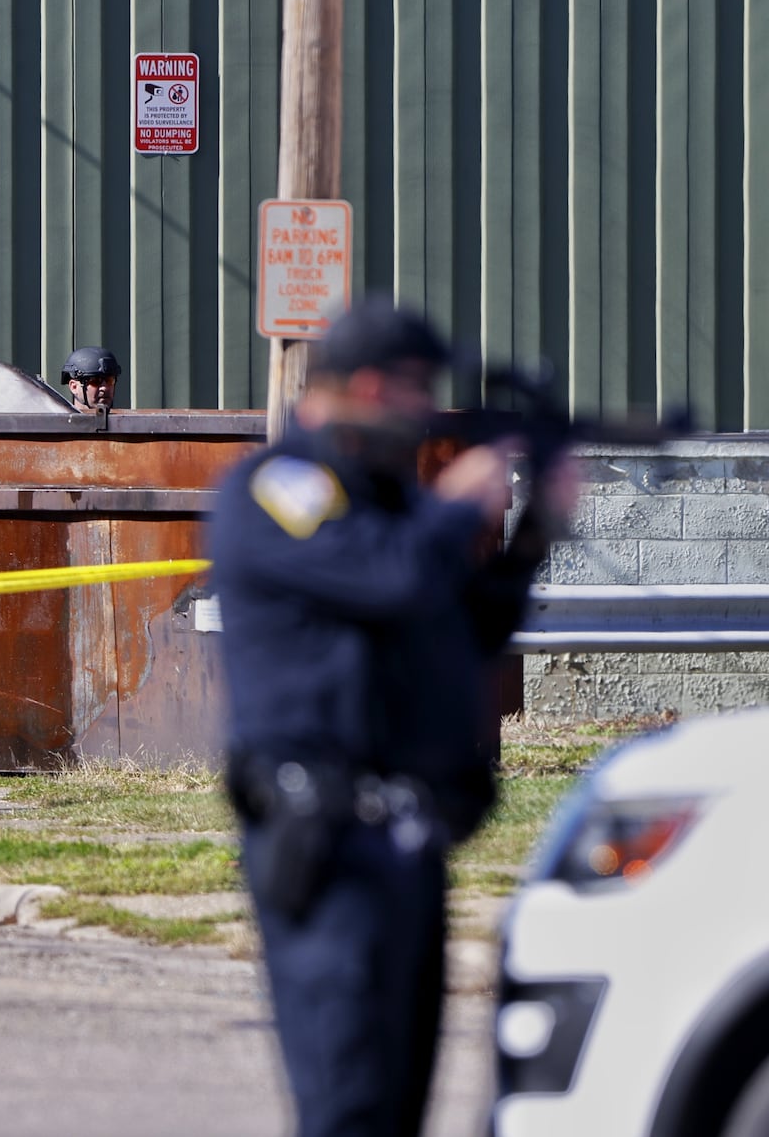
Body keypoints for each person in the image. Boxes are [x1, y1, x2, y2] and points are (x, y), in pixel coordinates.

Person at [208, 296, 575, 1137]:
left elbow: (470, 625)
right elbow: (394, 579)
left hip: (406, 844)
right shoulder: (282, 485)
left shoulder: (389, 507)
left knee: (401, 1104)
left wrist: (533, 531)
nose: (425, 412)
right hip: (327, 843)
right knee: (352, 1106)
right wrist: (457, 506)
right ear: (368, 386)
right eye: (417, 390)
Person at [60, 345, 121, 412]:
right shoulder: (58, 422)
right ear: (74, 387)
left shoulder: (125, 421)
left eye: (109, 381)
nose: (104, 388)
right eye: (95, 381)